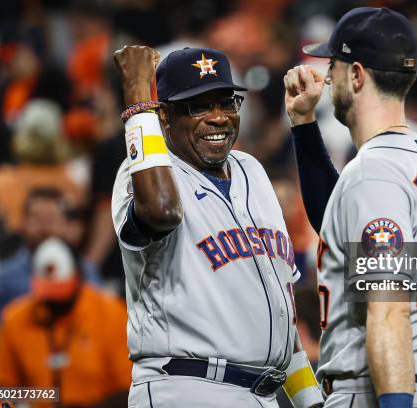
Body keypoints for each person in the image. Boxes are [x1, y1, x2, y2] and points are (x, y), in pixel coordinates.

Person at [111, 46, 322, 408]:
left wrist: (310, 401)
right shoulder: (146, 175)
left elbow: (280, 315)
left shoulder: (251, 170)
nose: (218, 117)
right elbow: (161, 210)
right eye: (198, 106)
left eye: (226, 102)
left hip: (263, 394)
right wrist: (136, 101)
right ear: (163, 117)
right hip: (186, 386)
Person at [284, 7, 417, 407]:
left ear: (356, 75)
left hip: (384, 388)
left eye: (333, 65)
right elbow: (339, 227)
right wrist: (303, 124)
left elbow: (388, 312)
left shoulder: (374, 171)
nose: (328, 75)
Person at [0, 238, 131, 407]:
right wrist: (33, 399)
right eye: (49, 292)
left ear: (79, 278)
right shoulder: (16, 318)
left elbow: (130, 390)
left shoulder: (111, 314)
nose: (55, 302)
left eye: (61, 291)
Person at [0, 188, 101, 325]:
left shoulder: (85, 271)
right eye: (36, 218)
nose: (44, 227)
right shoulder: (6, 276)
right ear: (23, 224)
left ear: (65, 225)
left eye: (51, 218)